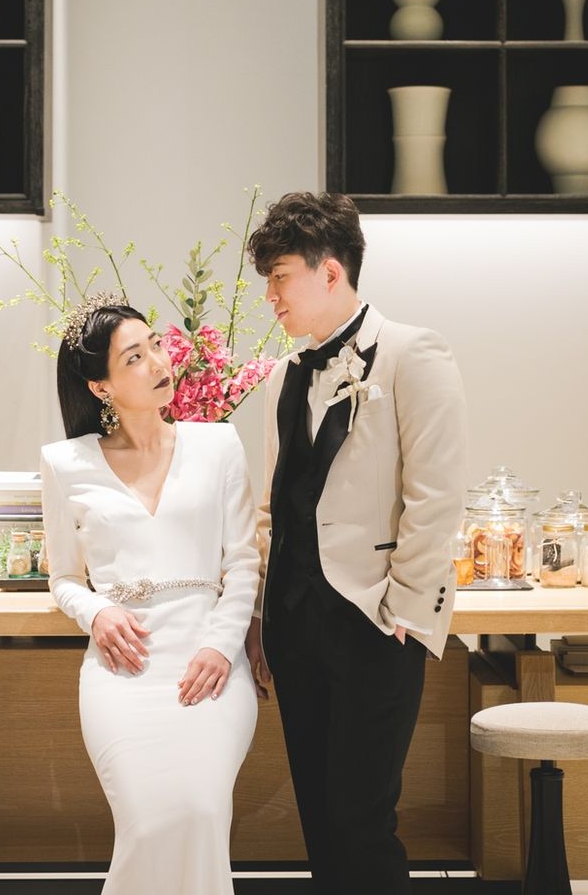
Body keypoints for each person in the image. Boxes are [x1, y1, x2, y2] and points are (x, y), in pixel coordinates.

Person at [244, 191, 468, 895]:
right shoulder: (285, 374)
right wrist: (261, 614)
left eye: (280, 277)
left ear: (330, 272)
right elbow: (276, 506)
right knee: (319, 814)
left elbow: (437, 495)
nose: (271, 297)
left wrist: (406, 609)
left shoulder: (413, 353)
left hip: (375, 620)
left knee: (362, 818)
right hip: (295, 625)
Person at [40, 293, 260, 895]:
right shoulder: (64, 463)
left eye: (155, 345)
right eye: (134, 357)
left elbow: (244, 562)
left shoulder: (218, 445)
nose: (159, 362)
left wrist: (221, 646)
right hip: (124, 670)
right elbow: (63, 578)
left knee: (202, 811)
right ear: (101, 387)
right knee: (147, 823)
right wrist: (97, 611)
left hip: (210, 662)